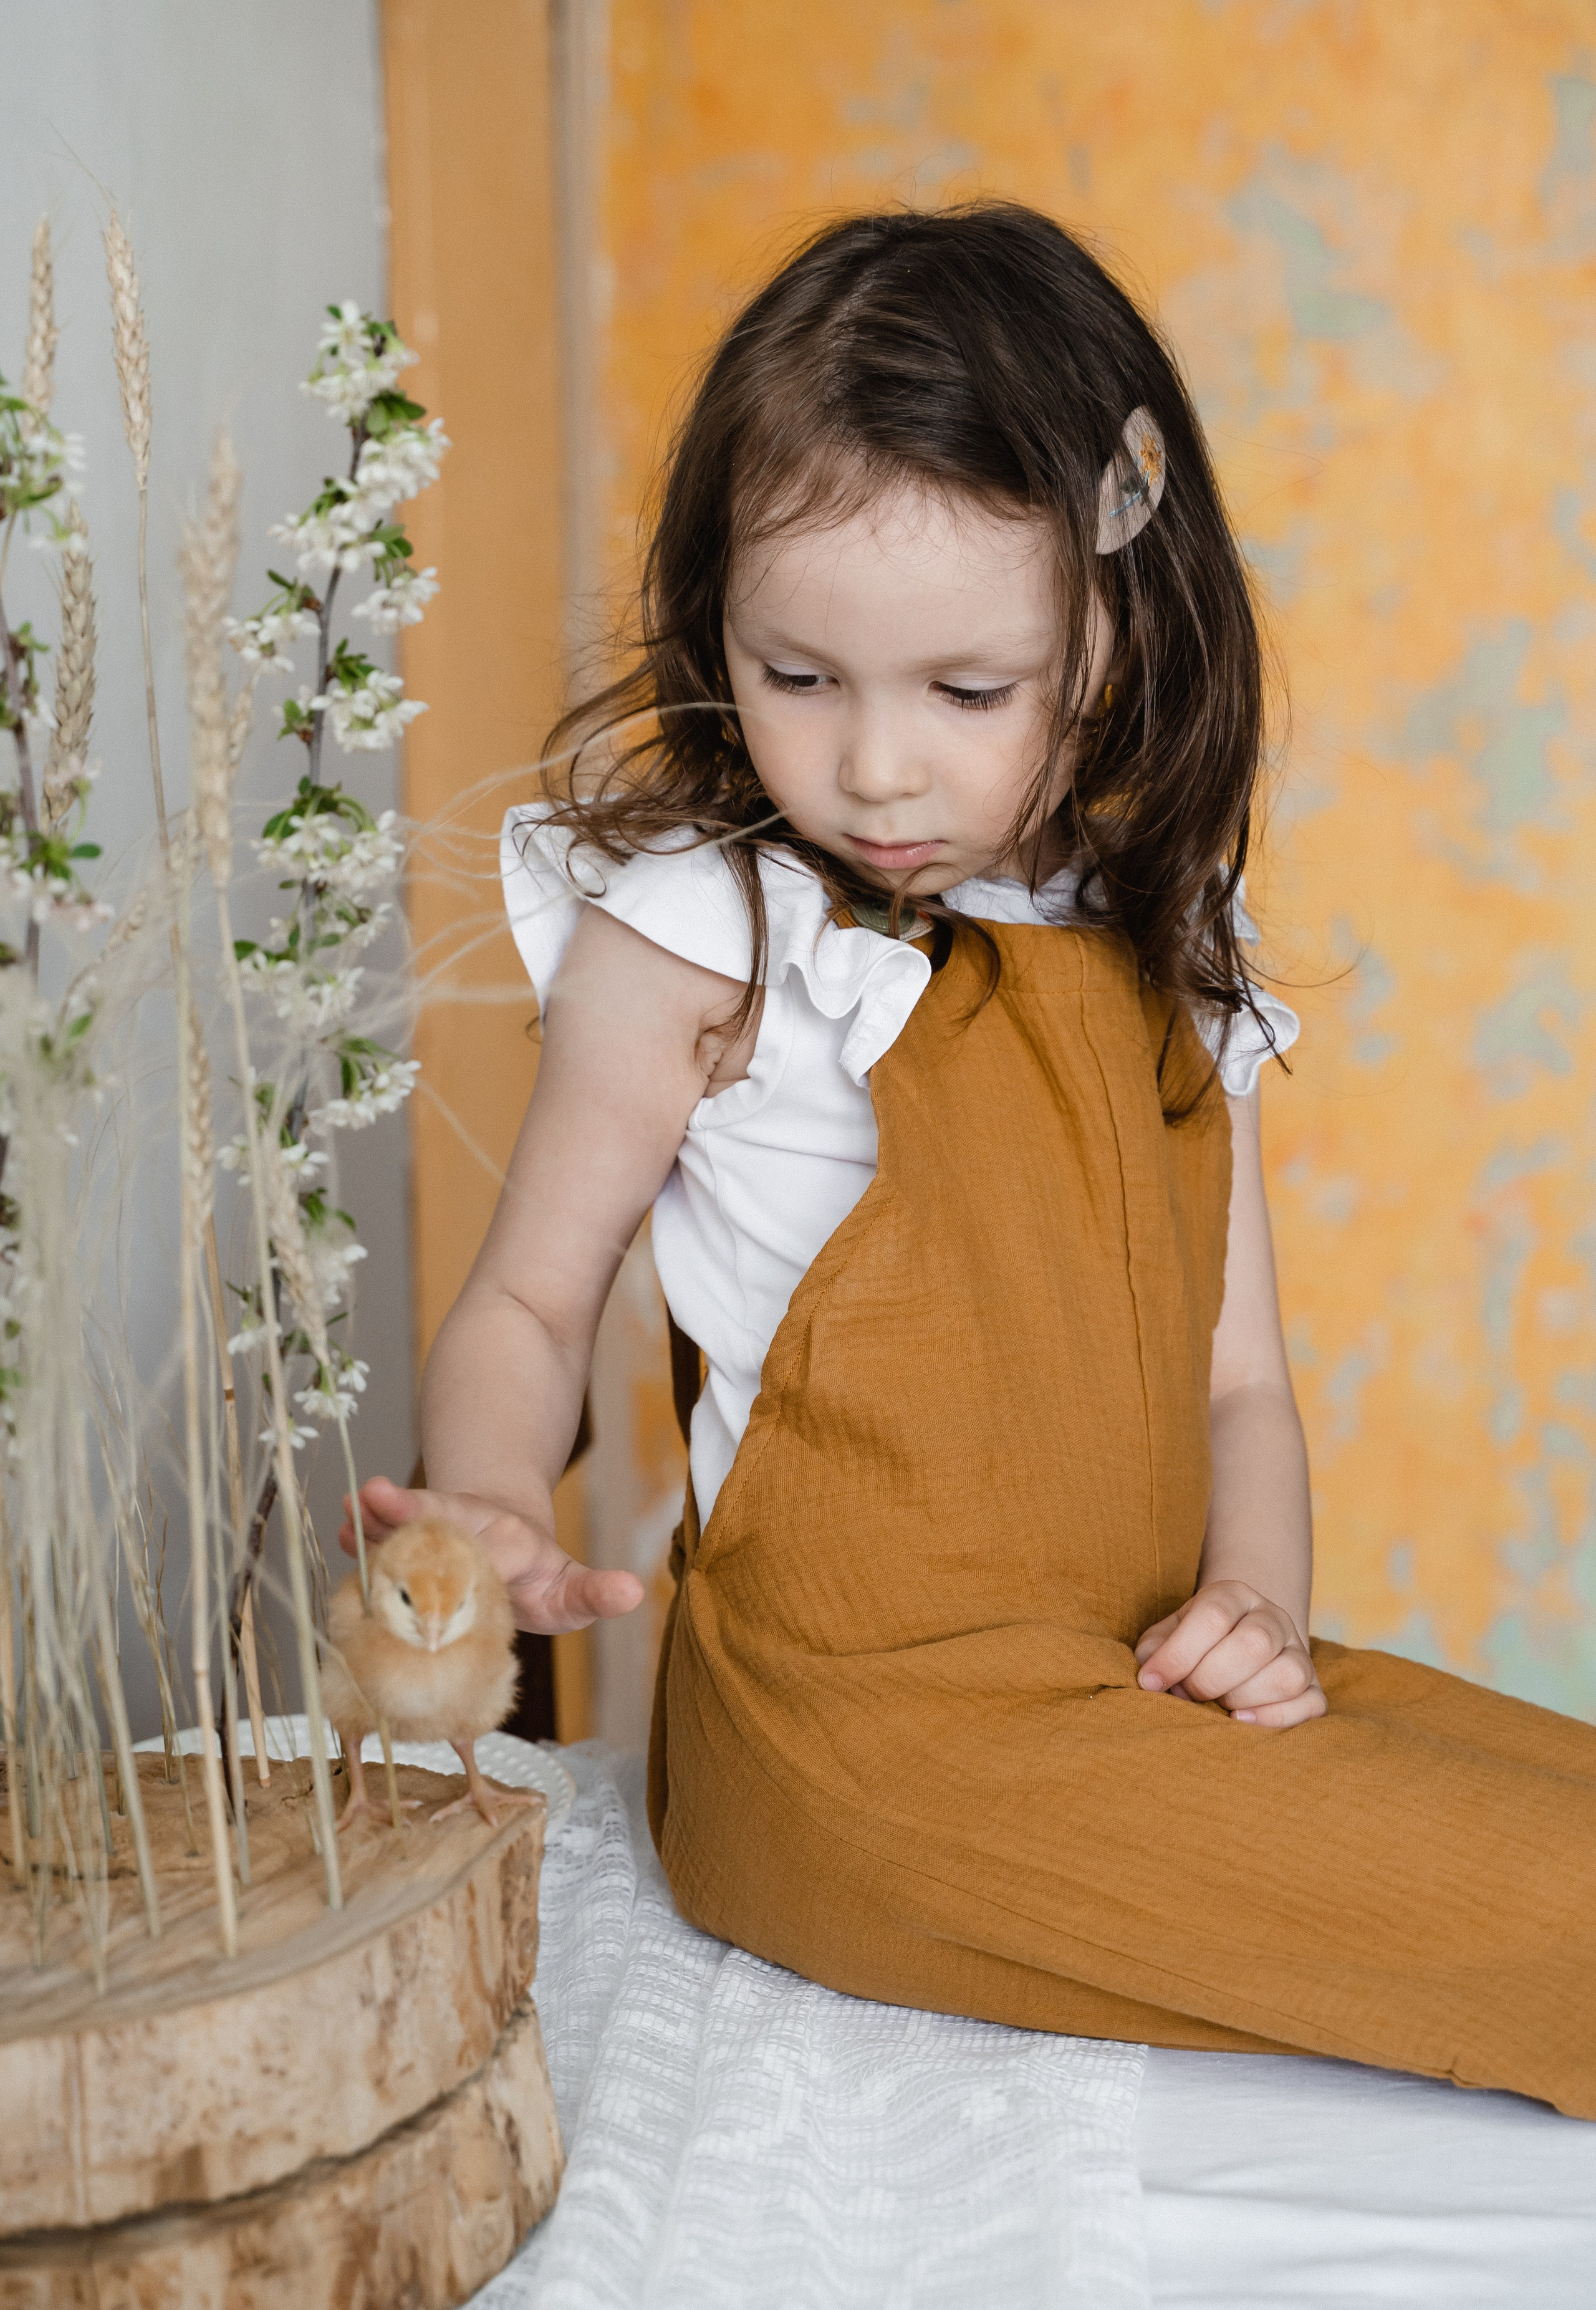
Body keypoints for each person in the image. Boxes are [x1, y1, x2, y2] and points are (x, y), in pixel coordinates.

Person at [346, 203, 1595, 2117]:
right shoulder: (705, 931)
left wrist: (1254, 1604)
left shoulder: (1162, 948)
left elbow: (1242, 1386)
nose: (876, 772)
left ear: (1112, 630)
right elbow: (529, 1296)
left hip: (1111, 1686)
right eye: (800, 676)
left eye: (966, 693)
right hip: (868, 1744)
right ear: (716, 622)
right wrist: (495, 1499)